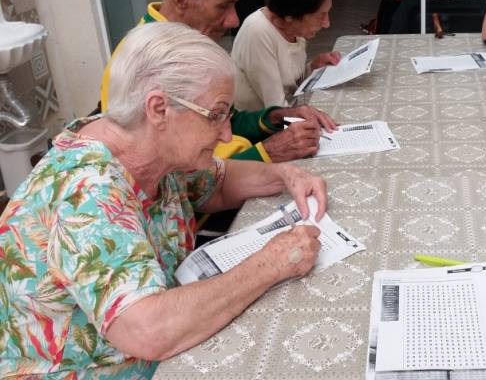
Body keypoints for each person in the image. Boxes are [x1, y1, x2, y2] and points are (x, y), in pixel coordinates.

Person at [0, 22, 327, 378]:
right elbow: (149, 331)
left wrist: (285, 175)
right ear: (158, 109)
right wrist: (271, 263)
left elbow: (216, 185)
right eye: (216, 115)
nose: (227, 133)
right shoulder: (87, 192)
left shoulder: (143, 142)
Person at [98, 0, 335, 163]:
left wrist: (281, 117)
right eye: (223, 6)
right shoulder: (144, 63)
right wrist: (267, 152)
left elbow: (227, 121)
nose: (234, 20)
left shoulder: (190, 41)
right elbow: (177, 179)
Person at [232, 0, 342, 111]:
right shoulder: (258, 32)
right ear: (290, 14)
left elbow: (288, 85)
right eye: (320, 15)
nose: (326, 23)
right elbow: (275, 109)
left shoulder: (292, 27)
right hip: (261, 128)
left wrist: (312, 67)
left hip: (287, 111)